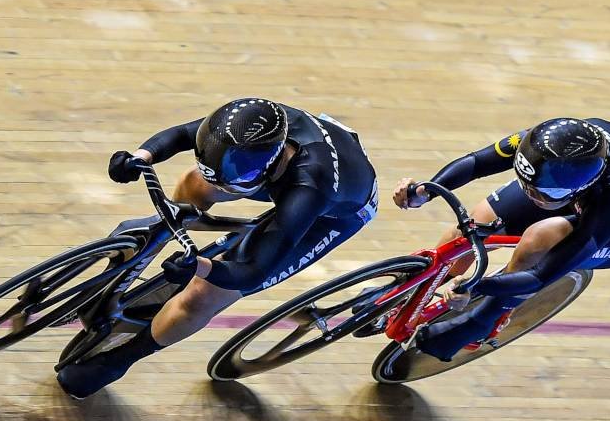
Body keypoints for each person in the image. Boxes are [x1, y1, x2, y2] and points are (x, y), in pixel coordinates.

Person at [57, 98, 378, 398]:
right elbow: (184, 133)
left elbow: (252, 272)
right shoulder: (252, 123)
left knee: (203, 293)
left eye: (242, 174)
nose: (226, 187)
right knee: (194, 183)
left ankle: (120, 358)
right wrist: (141, 156)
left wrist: (199, 267)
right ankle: (161, 235)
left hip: (334, 211)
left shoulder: (309, 188)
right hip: (291, 168)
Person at [392, 117, 610, 361]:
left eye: (542, 193)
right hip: (576, 183)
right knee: (474, 223)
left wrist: (477, 285)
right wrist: (425, 191)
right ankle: (420, 289)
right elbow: (477, 163)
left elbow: (540, 276)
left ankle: (486, 320)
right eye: (527, 186)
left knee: (539, 239)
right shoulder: (543, 144)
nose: (532, 197)